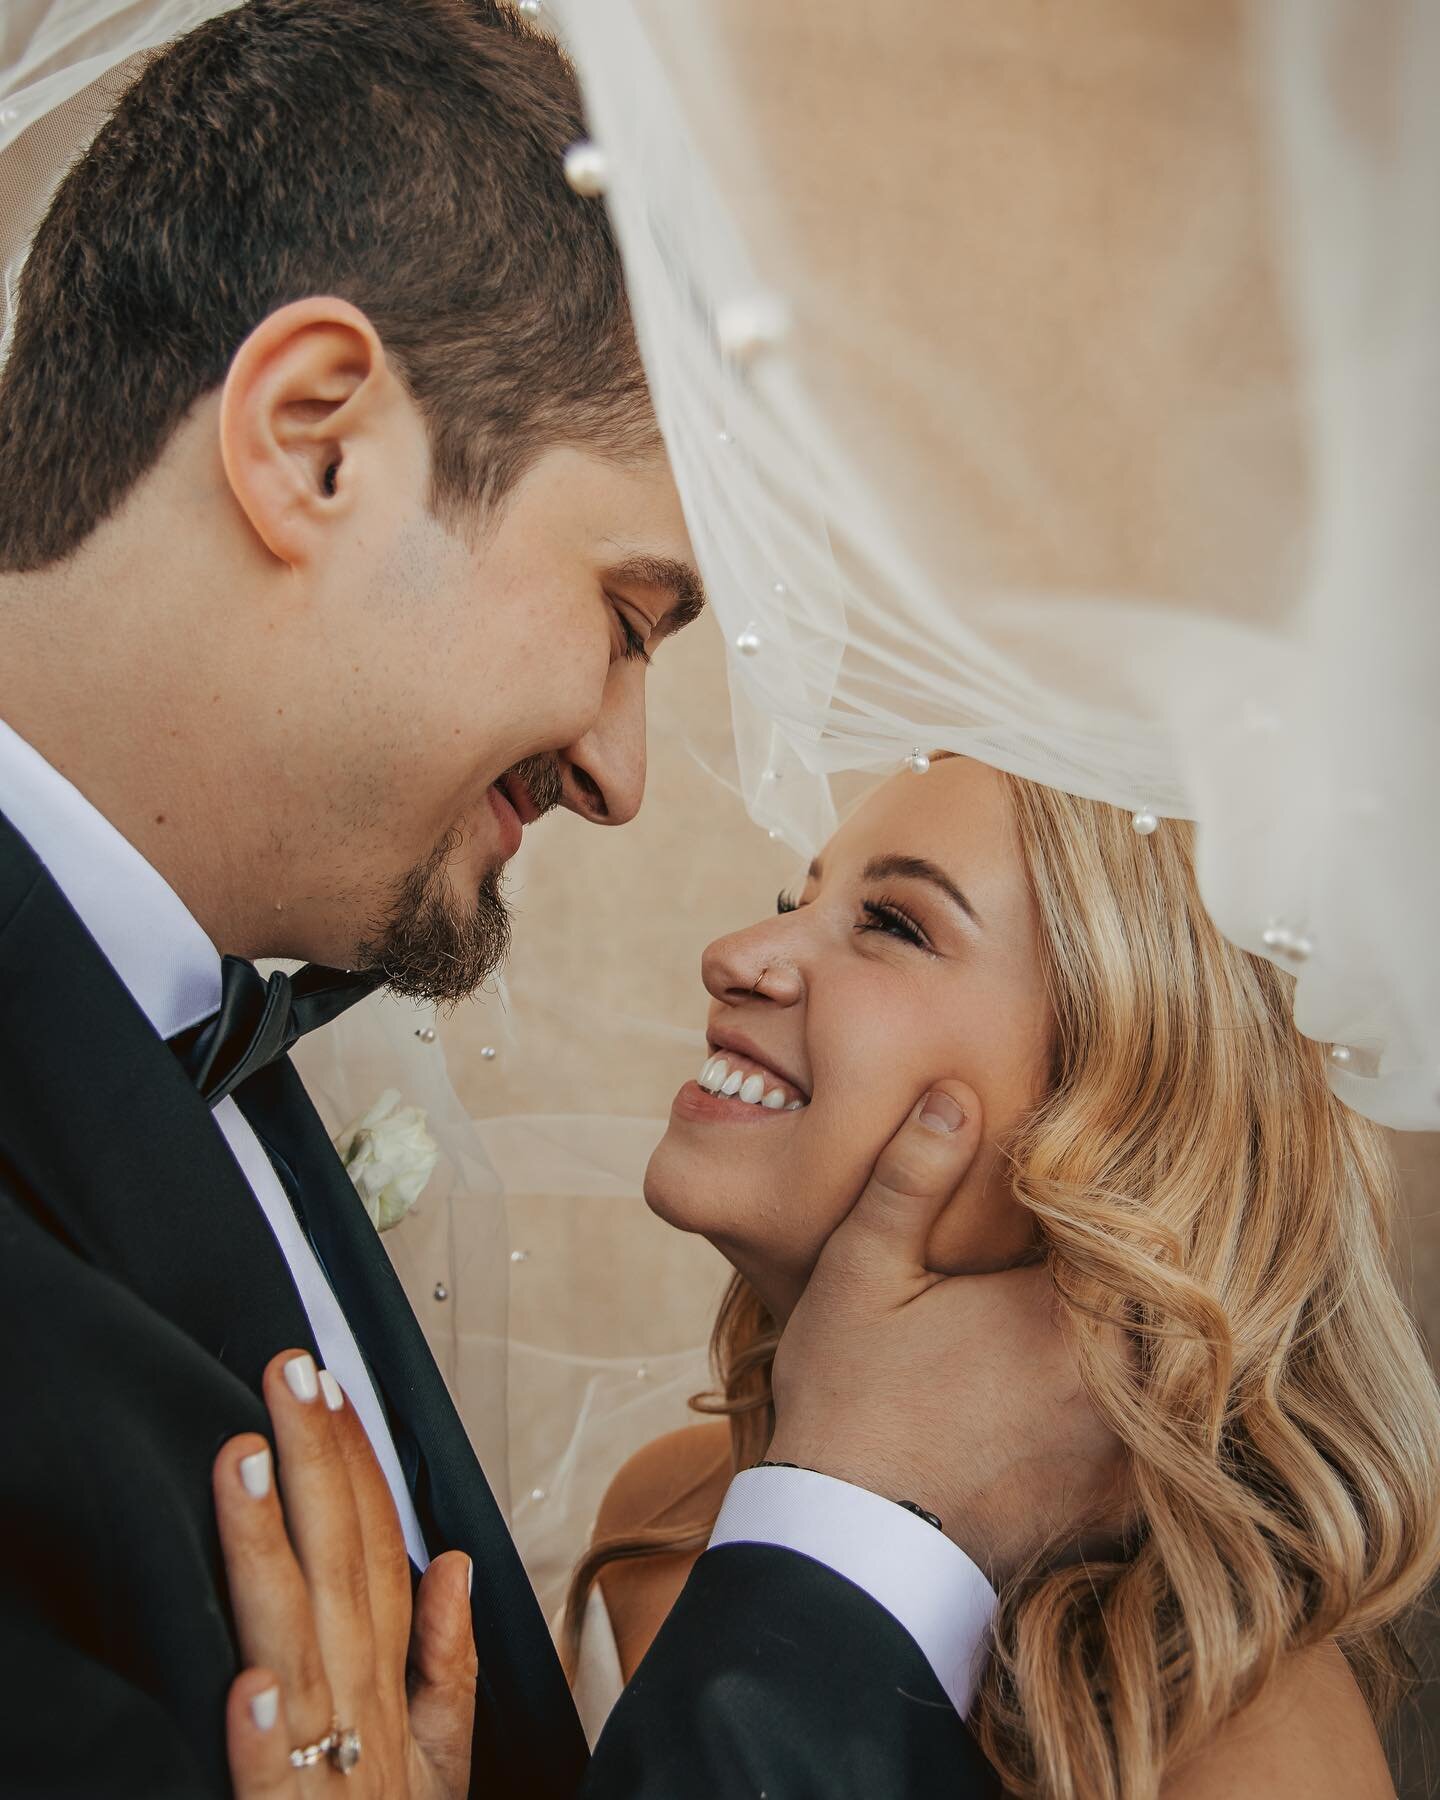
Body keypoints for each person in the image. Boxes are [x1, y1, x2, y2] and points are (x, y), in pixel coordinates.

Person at [0, 4, 1111, 1794]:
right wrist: (853, 1542)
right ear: (315, 444)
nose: (620, 770)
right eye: (621, 618)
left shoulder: (219, 1053)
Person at [566, 753, 1440, 1798]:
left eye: (892, 923)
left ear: (1122, 1114)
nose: (737, 956)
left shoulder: (1234, 1726)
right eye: (792, 900)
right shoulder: (664, 1508)